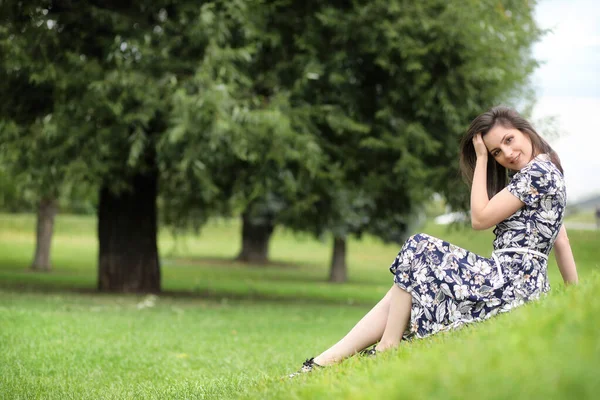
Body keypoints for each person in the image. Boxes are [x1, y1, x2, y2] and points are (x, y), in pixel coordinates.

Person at [289, 106, 578, 378]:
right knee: (402, 289)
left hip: (508, 283)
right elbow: (561, 240)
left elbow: (479, 218)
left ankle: (386, 348)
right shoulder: (549, 170)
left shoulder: (536, 173)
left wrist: (480, 160)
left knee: (420, 247)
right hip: (524, 286)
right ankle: (323, 362)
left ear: (524, 129)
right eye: (496, 152)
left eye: (508, 140)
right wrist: (574, 297)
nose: (508, 153)